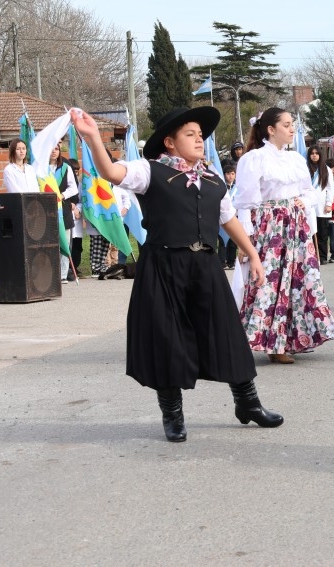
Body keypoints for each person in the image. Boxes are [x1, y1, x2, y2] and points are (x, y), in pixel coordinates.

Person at [71, 106, 282, 443]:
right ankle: (172, 415)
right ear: (169, 142)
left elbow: (228, 219)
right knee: (166, 339)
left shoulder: (213, 179)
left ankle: (248, 403)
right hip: (163, 266)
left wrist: (253, 253)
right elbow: (110, 172)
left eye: (201, 135)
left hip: (205, 266)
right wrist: (94, 137)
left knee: (227, 332)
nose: (199, 140)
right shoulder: (149, 171)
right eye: (190, 134)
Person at [235, 107, 334, 365]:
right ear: (271, 130)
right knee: (270, 283)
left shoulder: (295, 159)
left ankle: (290, 338)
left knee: (298, 282)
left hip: (296, 226)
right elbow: (245, 203)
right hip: (269, 228)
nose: (292, 129)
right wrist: (244, 240)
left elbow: (309, 191)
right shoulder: (254, 159)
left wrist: (303, 202)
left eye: (292, 124)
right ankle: (272, 342)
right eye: (287, 124)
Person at [46, 143, 80, 283]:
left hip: (63, 207)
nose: (54, 151)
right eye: (51, 149)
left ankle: (63, 274)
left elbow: (73, 188)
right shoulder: (41, 168)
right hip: (46, 208)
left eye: (56, 149)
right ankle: (50, 273)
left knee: (64, 241)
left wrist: (62, 195)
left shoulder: (66, 167)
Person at [307, 145, 334, 264]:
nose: (314, 155)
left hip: (322, 205)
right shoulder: (305, 168)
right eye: (312, 153)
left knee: (322, 232)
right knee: (311, 231)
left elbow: (330, 188)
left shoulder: (326, 169)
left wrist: (329, 203)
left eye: (316, 153)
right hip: (309, 205)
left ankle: (322, 256)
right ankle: (312, 255)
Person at [216, 165, 239, 269]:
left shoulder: (237, 187)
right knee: (222, 240)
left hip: (234, 216)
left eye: (233, 174)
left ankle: (231, 261)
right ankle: (221, 261)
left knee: (233, 241)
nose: (230, 176)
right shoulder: (221, 186)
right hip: (223, 216)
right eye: (228, 174)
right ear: (224, 175)